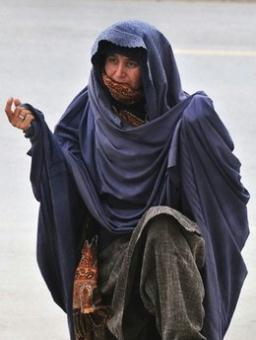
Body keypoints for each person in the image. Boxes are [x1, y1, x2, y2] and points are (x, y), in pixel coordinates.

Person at [5, 20, 249, 340]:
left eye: (131, 64)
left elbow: (225, 202)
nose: (118, 73)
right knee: (158, 227)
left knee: (161, 224)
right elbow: (64, 180)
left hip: (176, 256)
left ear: (153, 69)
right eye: (112, 61)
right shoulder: (87, 115)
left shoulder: (184, 119)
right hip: (113, 262)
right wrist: (37, 135)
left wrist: (201, 127)